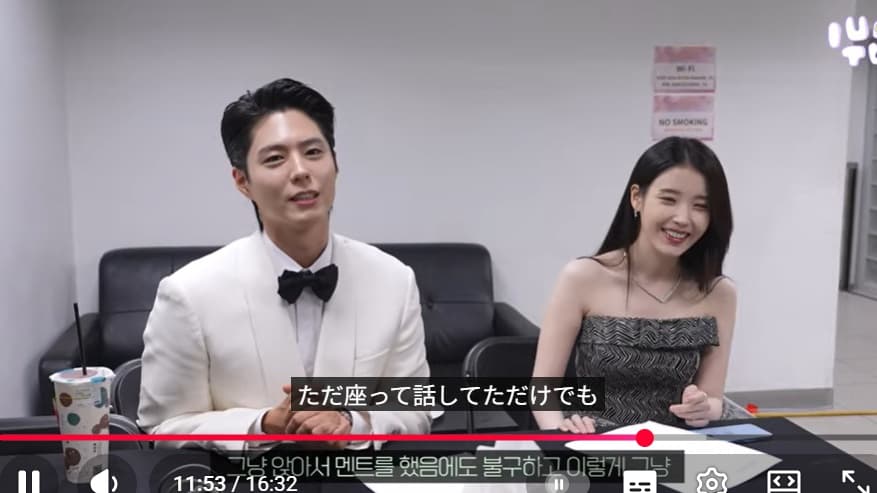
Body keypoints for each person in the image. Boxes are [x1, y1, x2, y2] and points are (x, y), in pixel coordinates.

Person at [138, 78, 431, 451]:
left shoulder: (394, 280)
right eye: (275, 158)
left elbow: (415, 410)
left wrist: (350, 422)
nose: (300, 171)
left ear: (336, 164)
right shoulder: (189, 293)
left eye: (313, 152)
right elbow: (163, 428)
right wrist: (262, 425)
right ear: (242, 181)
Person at [532, 136, 736, 433]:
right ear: (637, 198)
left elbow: (714, 398)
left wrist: (703, 408)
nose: (683, 218)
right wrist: (561, 430)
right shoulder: (582, 277)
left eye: (701, 206)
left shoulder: (719, 292)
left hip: (678, 443)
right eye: (669, 199)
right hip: (595, 439)